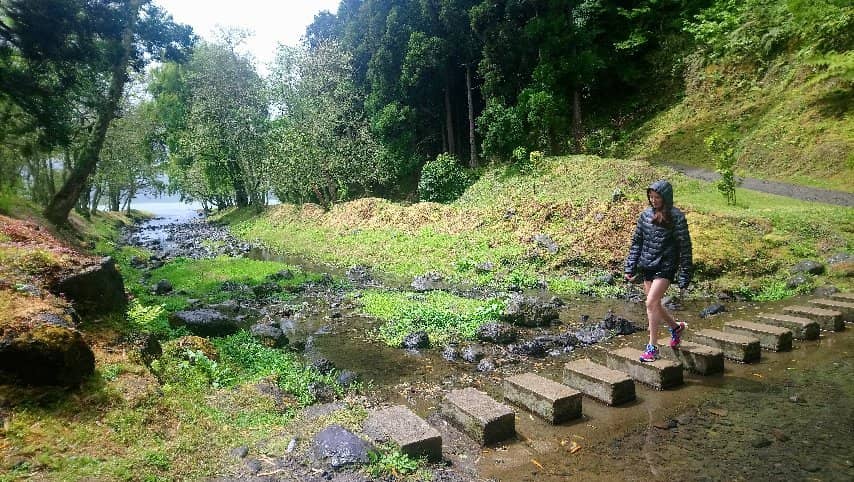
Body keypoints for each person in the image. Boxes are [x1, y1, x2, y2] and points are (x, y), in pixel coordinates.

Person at [624, 179, 693, 362]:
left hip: (666, 265)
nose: (653, 200)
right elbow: (637, 242)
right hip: (648, 264)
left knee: (650, 303)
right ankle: (676, 327)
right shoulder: (645, 215)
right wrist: (630, 266)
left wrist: (685, 273)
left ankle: (652, 347)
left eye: (657, 197)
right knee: (653, 304)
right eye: (651, 197)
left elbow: (685, 247)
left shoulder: (676, 217)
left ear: (666, 198)